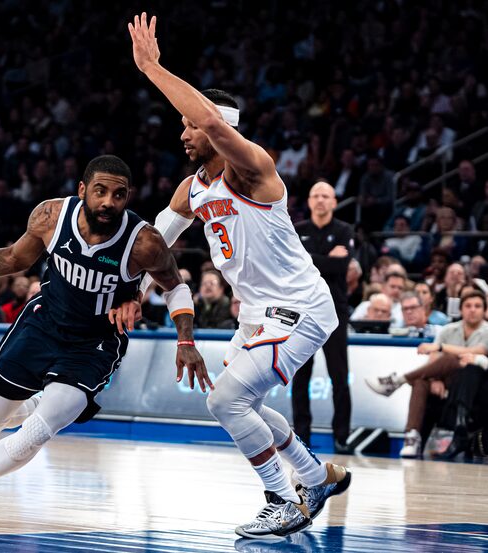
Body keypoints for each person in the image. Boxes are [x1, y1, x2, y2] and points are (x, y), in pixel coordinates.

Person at [121, 14, 348, 539]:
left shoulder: (252, 167)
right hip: (258, 312)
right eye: (182, 125)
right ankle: (316, 478)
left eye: (191, 124)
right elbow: (156, 244)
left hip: (299, 307)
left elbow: (217, 124)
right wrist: (132, 291)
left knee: (225, 402)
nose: (183, 132)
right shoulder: (192, 188)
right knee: (242, 401)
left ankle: (282, 498)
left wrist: (152, 68)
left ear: (216, 126)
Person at [0, 155, 208, 528]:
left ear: (128, 198)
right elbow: (14, 257)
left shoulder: (144, 243)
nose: (108, 201)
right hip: (42, 327)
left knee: (39, 432)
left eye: (119, 195)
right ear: (82, 190)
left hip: (93, 345)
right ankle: (41, 401)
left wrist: (185, 340)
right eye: (100, 191)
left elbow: (176, 288)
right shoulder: (50, 217)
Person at [366, 290, 488, 457]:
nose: (472, 309)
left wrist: (441, 347)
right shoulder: (448, 330)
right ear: (460, 309)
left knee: (453, 360)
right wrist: (435, 378)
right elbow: (433, 359)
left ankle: (398, 381)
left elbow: (479, 351)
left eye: (477, 306)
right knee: (421, 383)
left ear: (484, 310)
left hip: (475, 389)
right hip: (447, 382)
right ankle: (412, 437)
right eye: (468, 306)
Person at [293, 181, 354, 451]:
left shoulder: (344, 230)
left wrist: (310, 259)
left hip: (335, 311)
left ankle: (341, 436)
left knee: (340, 376)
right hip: (303, 311)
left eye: (325, 196)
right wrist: (324, 259)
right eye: (315, 195)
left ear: (333, 201)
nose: (320, 200)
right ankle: (301, 437)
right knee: (300, 377)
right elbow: (294, 266)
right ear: (308, 201)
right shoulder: (297, 231)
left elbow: (341, 266)